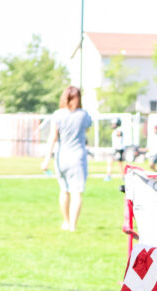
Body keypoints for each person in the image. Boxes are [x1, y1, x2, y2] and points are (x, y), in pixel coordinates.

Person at [41, 86, 92, 232]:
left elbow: (53, 137)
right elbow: (87, 128)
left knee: (64, 191)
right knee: (77, 192)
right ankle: (73, 226)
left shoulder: (57, 115)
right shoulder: (84, 115)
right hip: (78, 158)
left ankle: (66, 221)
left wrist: (46, 159)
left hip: (61, 157)